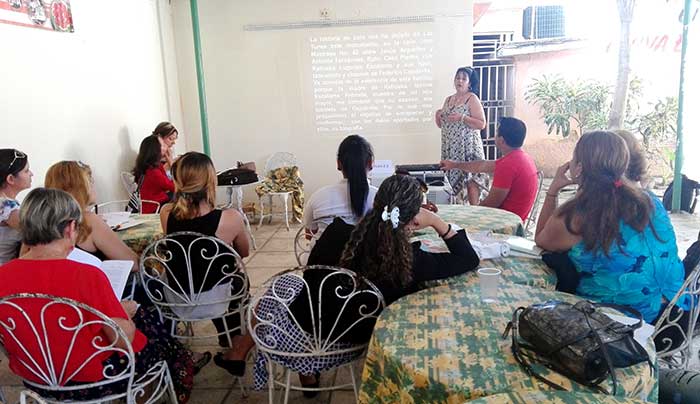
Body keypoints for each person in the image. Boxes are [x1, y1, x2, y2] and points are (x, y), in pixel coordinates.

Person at [0, 188, 209, 403]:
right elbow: (122, 339)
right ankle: (171, 374)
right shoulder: (86, 275)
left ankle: (179, 361)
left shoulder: (2, 276)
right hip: (94, 378)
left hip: (37, 378)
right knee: (150, 330)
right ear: (71, 228)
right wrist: (122, 313)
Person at [534, 131, 688, 348]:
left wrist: (553, 190)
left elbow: (541, 240)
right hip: (677, 318)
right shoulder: (650, 200)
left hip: (624, 331)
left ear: (579, 167)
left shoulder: (577, 214)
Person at [159, 152, 250, 368]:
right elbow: (243, 252)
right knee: (235, 276)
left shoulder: (166, 212)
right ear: (211, 181)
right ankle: (232, 340)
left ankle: (226, 338)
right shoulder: (230, 218)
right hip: (215, 298)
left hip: (177, 297)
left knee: (215, 272)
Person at [45, 161, 139, 272]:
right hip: (91, 286)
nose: (94, 185)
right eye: (90, 181)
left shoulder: (39, 222)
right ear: (79, 188)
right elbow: (132, 264)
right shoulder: (88, 220)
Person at [440, 117, 538, 221]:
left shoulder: (508, 165)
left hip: (503, 221)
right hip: (510, 217)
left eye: (496, 133)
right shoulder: (521, 157)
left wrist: (469, 214)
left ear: (502, 141)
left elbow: (490, 204)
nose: (494, 136)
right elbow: (483, 165)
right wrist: (455, 165)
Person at [303, 134, 377, 237]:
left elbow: (309, 235)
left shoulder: (318, 197)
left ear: (339, 163)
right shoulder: (380, 198)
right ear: (370, 163)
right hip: (367, 253)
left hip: (326, 253)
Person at [435, 66, 487, 205]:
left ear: (469, 83)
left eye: (464, 78)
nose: (460, 81)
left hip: (468, 147)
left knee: (471, 181)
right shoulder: (448, 100)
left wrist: (462, 118)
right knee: (451, 184)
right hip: (451, 148)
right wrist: (438, 115)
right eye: (458, 78)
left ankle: (475, 215)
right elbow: (441, 125)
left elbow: (481, 124)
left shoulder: (472, 98)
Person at [0, 149, 32, 265]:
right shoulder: (6, 206)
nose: (31, 174)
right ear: (11, 179)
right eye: (26, 171)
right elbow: (37, 231)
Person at [133, 135, 174, 213]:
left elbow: (166, 186)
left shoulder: (150, 165)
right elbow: (173, 187)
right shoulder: (153, 171)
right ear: (156, 150)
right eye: (163, 145)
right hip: (155, 207)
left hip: (154, 202)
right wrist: (171, 163)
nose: (167, 147)